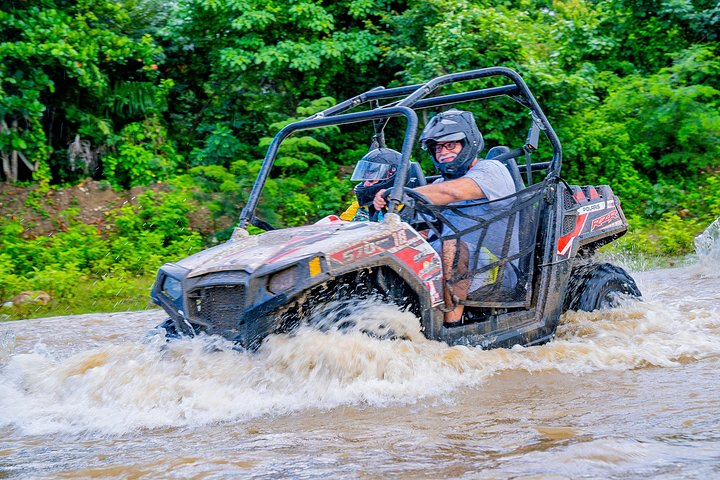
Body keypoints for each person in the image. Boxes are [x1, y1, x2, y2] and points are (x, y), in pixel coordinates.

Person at [373, 109, 517, 325]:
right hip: (451, 266)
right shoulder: (439, 183)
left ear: (468, 143)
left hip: (498, 268)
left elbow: (454, 192)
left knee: (451, 245)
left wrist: (399, 192)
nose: (443, 152)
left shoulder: (491, 170)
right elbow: (424, 224)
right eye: (438, 147)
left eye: (451, 145)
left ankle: (450, 329)